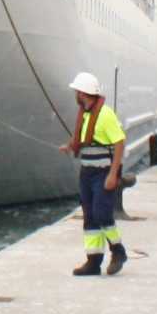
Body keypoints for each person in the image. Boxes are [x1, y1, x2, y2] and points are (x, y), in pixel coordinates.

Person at [58, 71, 128, 276]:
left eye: (77, 91)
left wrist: (113, 174)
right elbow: (86, 140)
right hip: (87, 173)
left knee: (101, 213)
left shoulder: (105, 114)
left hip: (102, 173)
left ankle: (118, 250)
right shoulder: (86, 114)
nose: (75, 95)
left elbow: (119, 142)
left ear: (83, 93)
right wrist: (70, 147)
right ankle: (93, 261)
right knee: (89, 216)